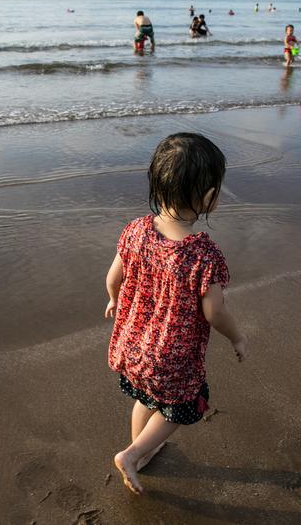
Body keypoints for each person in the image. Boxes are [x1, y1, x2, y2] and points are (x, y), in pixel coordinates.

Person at [105, 133, 249, 495]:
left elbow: (113, 277)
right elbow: (215, 312)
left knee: (145, 397)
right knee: (182, 406)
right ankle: (133, 453)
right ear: (208, 198)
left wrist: (113, 299)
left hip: (132, 344)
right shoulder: (203, 255)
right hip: (172, 357)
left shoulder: (136, 231)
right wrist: (237, 336)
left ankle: (144, 451)